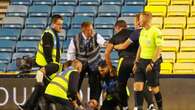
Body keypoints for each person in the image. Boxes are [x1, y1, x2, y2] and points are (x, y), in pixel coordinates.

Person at [17, 15, 63, 110]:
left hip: (49, 67)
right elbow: (47, 54)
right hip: (46, 67)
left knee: (42, 89)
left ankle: (29, 107)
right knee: (42, 88)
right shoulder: (48, 34)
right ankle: (27, 107)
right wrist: (51, 67)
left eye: (61, 25)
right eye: (59, 24)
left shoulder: (54, 34)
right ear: (53, 24)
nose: (61, 27)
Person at [113, 13, 156, 110]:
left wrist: (114, 46)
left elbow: (124, 46)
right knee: (142, 83)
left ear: (139, 21)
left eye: (136, 21)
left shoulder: (136, 32)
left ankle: (125, 106)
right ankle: (150, 105)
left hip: (131, 60)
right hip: (145, 60)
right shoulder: (149, 31)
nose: (135, 23)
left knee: (121, 84)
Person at [67, 21, 107, 103]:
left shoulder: (96, 36)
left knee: (95, 85)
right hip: (80, 64)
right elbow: (71, 54)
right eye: (89, 30)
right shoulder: (75, 39)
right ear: (83, 30)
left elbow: (103, 42)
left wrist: (107, 44)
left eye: (92, 29)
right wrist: (72, 67)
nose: (91, 32)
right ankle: (75, 103)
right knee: (75, 84)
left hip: (95, 63)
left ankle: (94, 104)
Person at [133, 12, 163, 110]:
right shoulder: (142, 31)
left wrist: (152, 63)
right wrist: (136, 62)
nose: (138, 21)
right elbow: (140, 47)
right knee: (137, 86)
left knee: (154, 89)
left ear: (146, 19)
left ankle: (160, 107)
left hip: (152, 62)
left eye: (140, 19)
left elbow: (159, 48)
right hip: (141, 62)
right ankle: (139, 107)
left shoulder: (156, 31)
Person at [105, 20, 137, 110]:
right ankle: (144, 105)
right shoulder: (134, 33)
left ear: (117, 28)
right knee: (140, 82)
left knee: (121, 85)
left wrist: (111, 68)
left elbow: (106, 54)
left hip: (124, 61)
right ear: (126, 26)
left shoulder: (115, 37)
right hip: (136, 61)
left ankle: (125, 106)